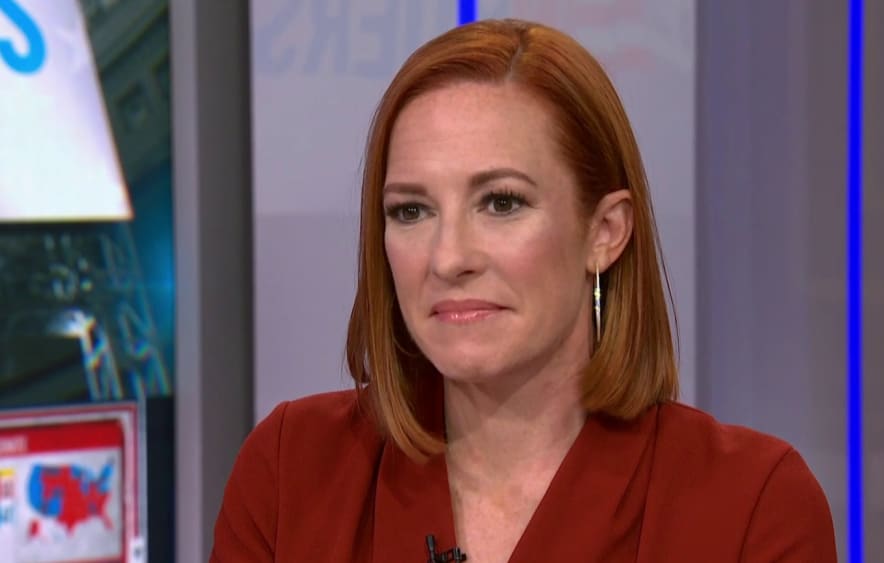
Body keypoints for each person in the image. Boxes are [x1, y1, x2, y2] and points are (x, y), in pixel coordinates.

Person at [210, 18, 836, 562]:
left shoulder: (750, 506)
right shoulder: (291, 470)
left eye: (501, 202)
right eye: (411, 211)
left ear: (605, 232)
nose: (448, 258)